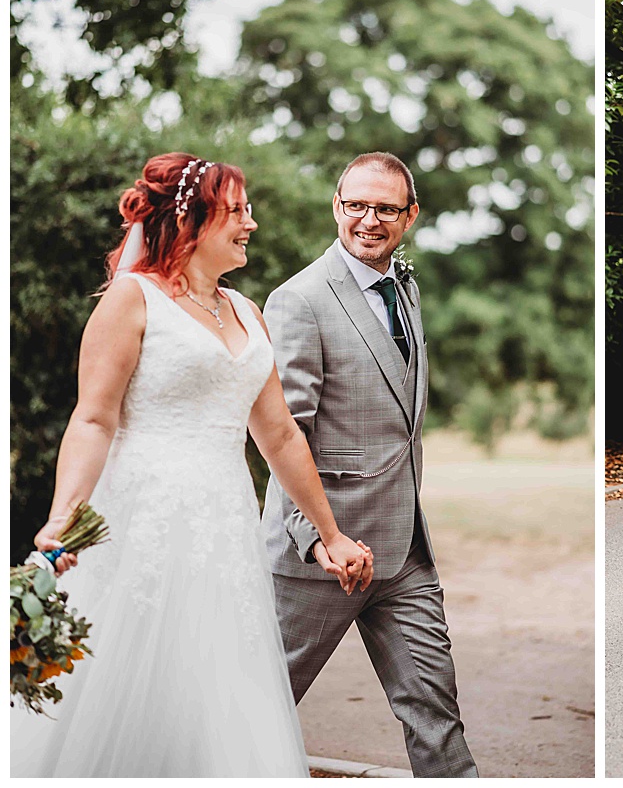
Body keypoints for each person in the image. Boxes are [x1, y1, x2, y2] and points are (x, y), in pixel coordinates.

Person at [12, 152, 373, 777]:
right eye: (236, 211)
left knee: (217, 681)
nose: (250, 224)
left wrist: (330, 534)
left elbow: (281, 436)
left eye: (249, 210)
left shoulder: (246, 312)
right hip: (139, 517)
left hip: (225, 525)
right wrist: (63, 517)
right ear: (193, 220)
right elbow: (93, 419)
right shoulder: (132, 300)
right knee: (121, 680)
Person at [260, 151, 477, 778]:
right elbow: (284, 435)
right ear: (337, 207)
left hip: (404, 551)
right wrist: (318, 539)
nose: (368, 219)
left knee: (435, 712)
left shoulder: (403, 287)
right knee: (258, 703)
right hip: (320, 555)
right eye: (356, 204)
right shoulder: (298, 299)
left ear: (409, 216)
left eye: (385, 207)